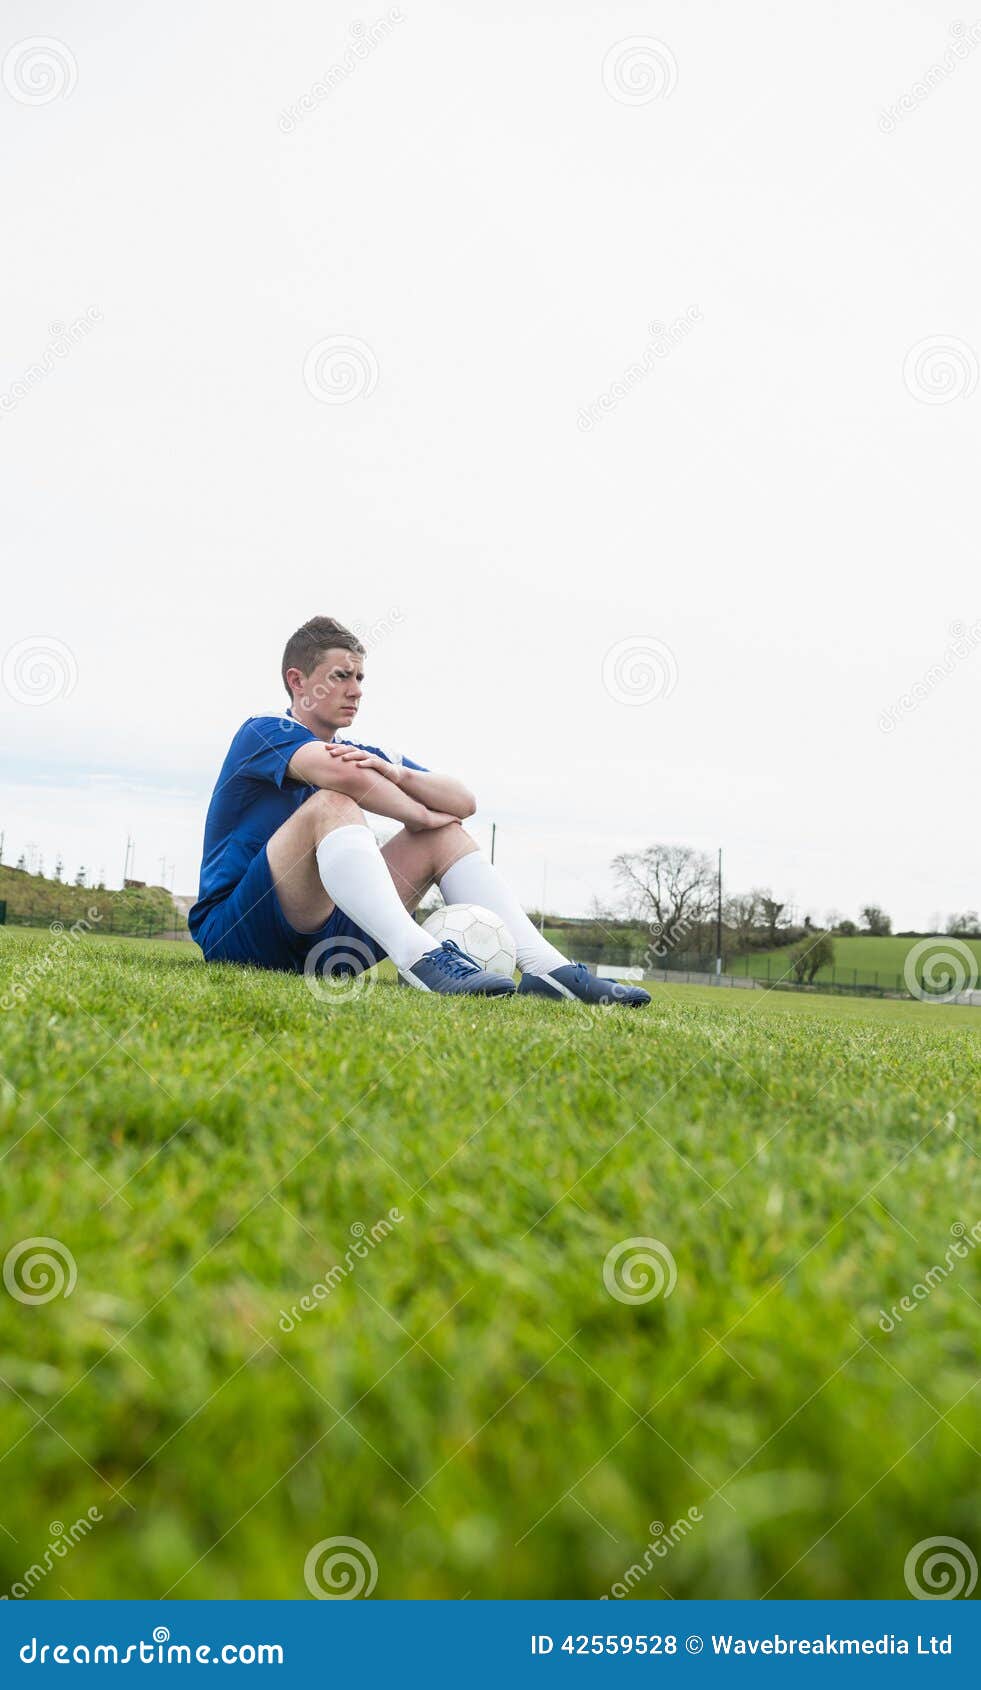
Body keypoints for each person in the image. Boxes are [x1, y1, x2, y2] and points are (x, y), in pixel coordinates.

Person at [188, 615, 650, 1005]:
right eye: (340, 676)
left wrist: (401, 775)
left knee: (444, 836)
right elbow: (345, 779)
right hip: (241, 935)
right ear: (298, 681)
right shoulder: (263, 732)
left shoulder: (361, 750)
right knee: (335, 804)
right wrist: (418, 814)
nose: (356, 690)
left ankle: (547, 970)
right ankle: (421, 960)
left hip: (330, 949)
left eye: (360, 677)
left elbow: (462, 801)